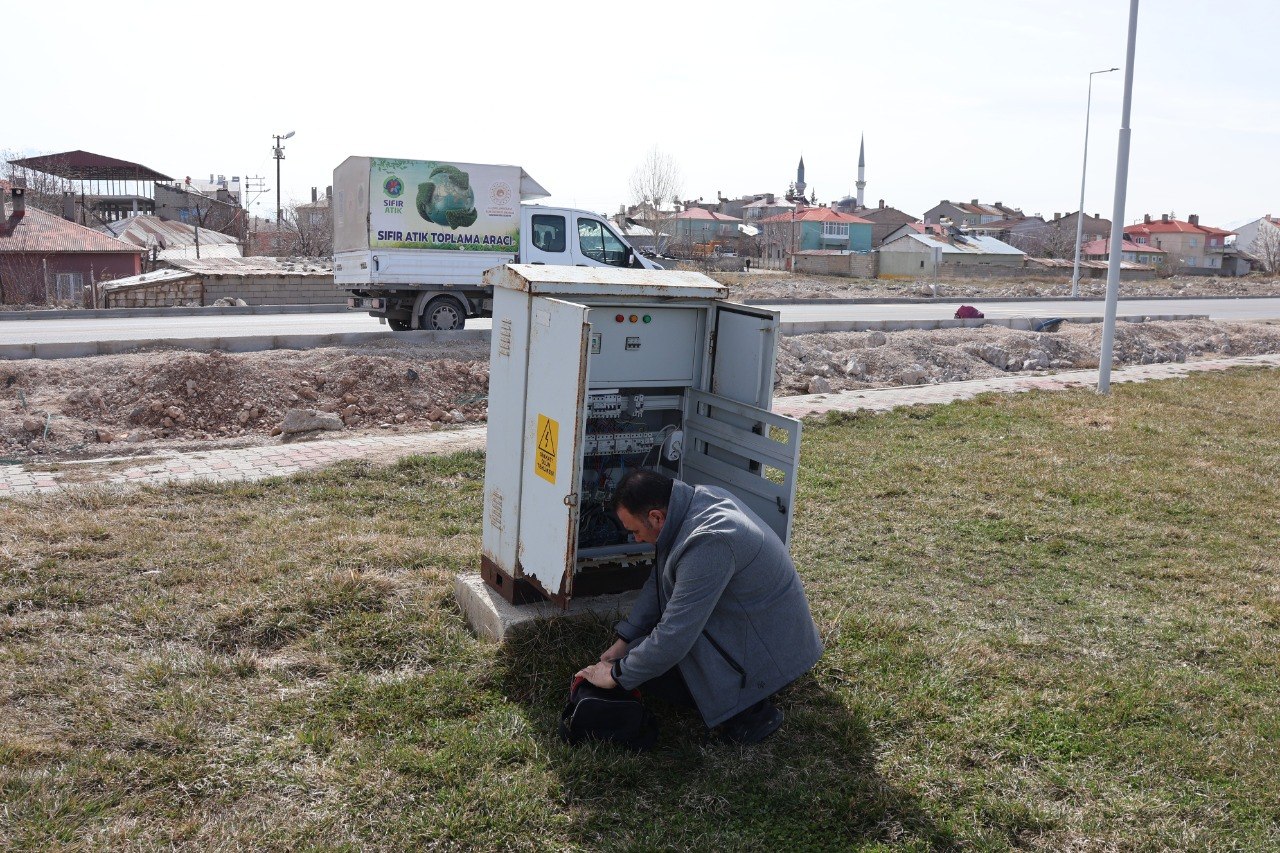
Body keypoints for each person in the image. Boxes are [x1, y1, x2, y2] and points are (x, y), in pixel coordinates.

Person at [574, 469, 823, 744]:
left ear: (656, 517)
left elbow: (675, 636)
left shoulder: (709, 541)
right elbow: (660, 581)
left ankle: (751, 711)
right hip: (760, 626)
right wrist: (625, 639)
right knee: (639, 658)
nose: (635, 539)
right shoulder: (694, 503)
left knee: (651, 670)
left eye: (635, 531)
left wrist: (618, 674)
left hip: (776, 652)